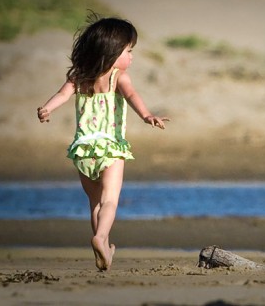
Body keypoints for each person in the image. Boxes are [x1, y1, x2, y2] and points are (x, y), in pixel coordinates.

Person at [37, 15, 169, 271]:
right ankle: (100, 238)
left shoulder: (80, 77)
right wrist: (147, 115)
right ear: (112, 52)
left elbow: (62, 95)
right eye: (128, 51)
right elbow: (131, 95)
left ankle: (105, 251)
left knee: (94, 203)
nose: (131, 57)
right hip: (110, 147)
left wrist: (46, 109)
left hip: (83, 149)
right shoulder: (117, 77)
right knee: (110, 201)